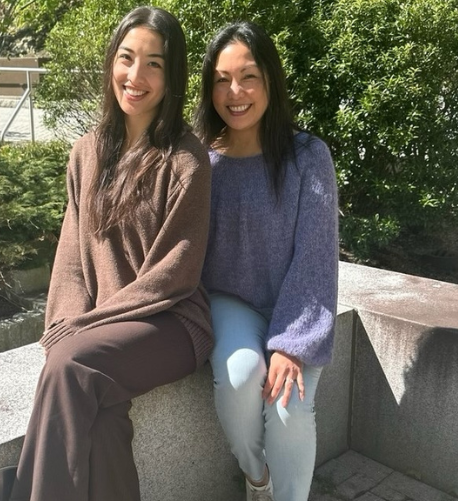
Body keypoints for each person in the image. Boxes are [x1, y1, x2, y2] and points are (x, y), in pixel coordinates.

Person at [8, 6, 213, 501]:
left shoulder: (186, 159)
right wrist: (66, 322)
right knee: (99, 418)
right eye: (126, 58)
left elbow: (177, 272)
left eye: (154, 64)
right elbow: (72, 258)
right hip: (106, 327)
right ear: (111, 64)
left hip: (171, 322)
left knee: (70, 366)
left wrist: (86, 330)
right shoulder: (86, 152)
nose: (135, 76)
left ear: (172, 76)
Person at [194, 21, 339, 501]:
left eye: (248, 76)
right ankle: (258, 482)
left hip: (295, 307)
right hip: (230, 302)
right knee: (238, 382)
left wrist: (292, 345)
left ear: (270, 81)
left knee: (289, 407)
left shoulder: (307, 156)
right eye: (221, 78)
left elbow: (317, 255)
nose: (234, 92)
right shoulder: (201, 161)